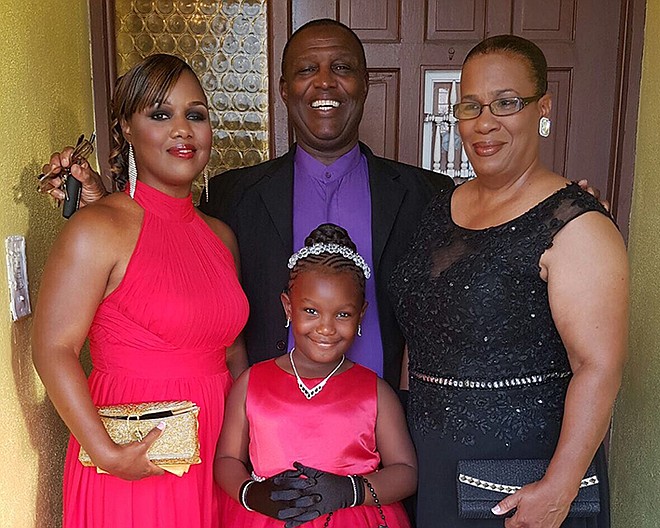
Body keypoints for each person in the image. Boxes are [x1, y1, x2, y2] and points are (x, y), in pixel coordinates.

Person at [41, 18, 449, 392]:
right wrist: (103, 207)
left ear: (364, 82)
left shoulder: (426, 194)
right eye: (307, 70)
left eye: (341, 68)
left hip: (386, 429)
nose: (325, 83)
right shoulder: (231, 196)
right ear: (284, 89)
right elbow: (168, 258)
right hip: (260, 431)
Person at [389, 35, 629, 528]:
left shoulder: (576, 223)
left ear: (543, 107)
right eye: (471, 106)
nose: (485, 122)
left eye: (506, 103)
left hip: (526, 484)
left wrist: (560, 489)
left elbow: (598, 365)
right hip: (432, 465)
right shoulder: (441, 208)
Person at [32, 54, 249, 528]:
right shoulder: (99, 227)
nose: (183, 130)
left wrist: (249, 436)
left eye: (195, 114)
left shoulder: (221, 236)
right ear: (127, 129)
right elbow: (52, 348)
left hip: (218, 450)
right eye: (160, 114)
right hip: (136, 452)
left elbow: (232, 352)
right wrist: (107, 453)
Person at [215, 223, 417, 528]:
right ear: (288, 307)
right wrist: (251, 494)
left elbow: (405, 471)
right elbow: (227, 460)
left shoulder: (375, 392)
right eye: (311, 311)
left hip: (354, 517)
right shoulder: (251, 383)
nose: (326, 327)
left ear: (361, 314)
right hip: (268, 518)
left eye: (343, 314)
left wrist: (351, 490)